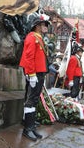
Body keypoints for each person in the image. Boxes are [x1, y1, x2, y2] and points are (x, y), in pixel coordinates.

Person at [19, 12, 51, 141]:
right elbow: (29, 57)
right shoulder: (32, 37)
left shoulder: (38, 37)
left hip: (39, 72)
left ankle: (31, 127)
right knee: (31, 100)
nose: (46, 27)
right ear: (37, 25)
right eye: (44, 24)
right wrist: (31, 74)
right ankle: (27, 129)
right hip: (34, 72)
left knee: (34, 100)